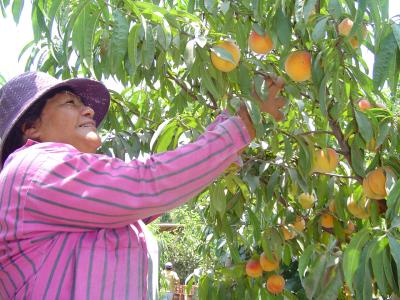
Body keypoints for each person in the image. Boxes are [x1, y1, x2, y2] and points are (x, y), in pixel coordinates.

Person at [0, 71, 284, 299]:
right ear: (30, 128)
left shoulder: (71, 192)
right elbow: (148, 184)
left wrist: (225, 131)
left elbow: (151, 196)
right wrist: (241, 125)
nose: (87, 110)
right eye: (70, 103)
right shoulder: (34, 168)